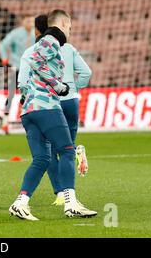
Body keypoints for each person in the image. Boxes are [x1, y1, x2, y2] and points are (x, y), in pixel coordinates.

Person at [9, 9, 96, 220]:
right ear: (63, 25)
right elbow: (37, 61)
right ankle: (71, 203)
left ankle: (20, 202)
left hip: (29, 110)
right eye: (70, 28)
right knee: (67, 151)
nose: (70, 32)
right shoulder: (52, 40)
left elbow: (29, 71)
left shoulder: (35, 45)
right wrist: (58, 85)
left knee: (42, 159)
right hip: (46, 106)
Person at [33, 15, 92, 206]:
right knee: (67, 149)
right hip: (71, 101)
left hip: (52, 102)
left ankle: (60, 193)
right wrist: (74, 87)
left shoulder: (39, 49)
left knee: (48, 149)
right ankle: (76, 152)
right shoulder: (69, 48)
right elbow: (87, 73)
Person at [0, 15, 35, 133]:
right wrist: (5, 59)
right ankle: (5, 121)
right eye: (27, 19)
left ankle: (33, 122)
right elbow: (2, 45)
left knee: (33, 94)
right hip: (17, 67)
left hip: (32, 69)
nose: (30, 22)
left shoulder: (36, 34)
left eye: (31, 20)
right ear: (23, 21)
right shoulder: (16, 33)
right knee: (11, 94)